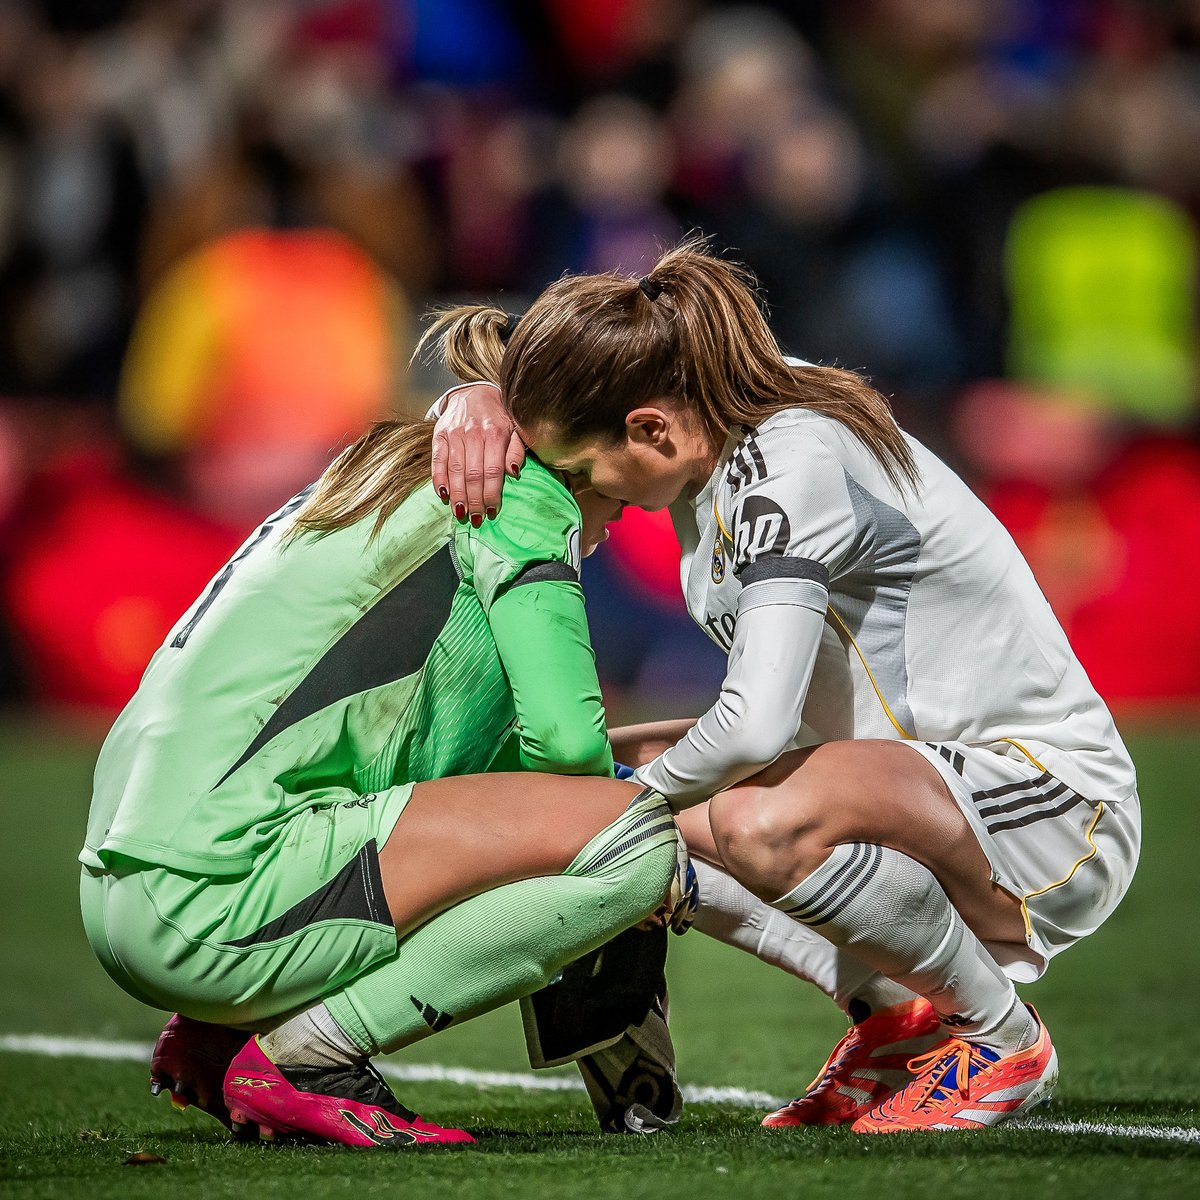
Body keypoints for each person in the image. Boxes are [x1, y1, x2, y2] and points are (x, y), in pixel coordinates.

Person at [424, 240, 1141, 1134]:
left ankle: (998, 1035)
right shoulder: (710, 403)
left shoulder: (788, 460)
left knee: (740, 817)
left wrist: (618, 818)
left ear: (650, 431)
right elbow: (605, 351)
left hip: (1047, 802)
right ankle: (897, 1019)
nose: (573, 499)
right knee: (585, 788)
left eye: (575, 474)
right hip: (908, 782)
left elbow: (756, 728)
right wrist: (479, 398)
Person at [79, 414, 683, 1150]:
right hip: (212, 898)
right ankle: (309, 1061)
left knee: (596, 812)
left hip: (136, 884)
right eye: (616, 502)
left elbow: (424, 773)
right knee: (630, 839)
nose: (619, 522)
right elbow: (562, 755)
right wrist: (641, 804)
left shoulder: (388, 468)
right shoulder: (518, 496)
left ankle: (229, 1025)